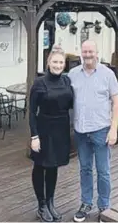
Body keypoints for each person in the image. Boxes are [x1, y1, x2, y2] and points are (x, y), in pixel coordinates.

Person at [68, 40, 118, 222]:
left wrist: (113, 129)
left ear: (97, 53)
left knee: (103, 171)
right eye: (85, 51)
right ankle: (86, 203)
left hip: (101, 130)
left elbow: (116, 102)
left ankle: (104, 206)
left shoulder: (108, 74)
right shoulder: (73, 74)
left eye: (91, 51)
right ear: (81, 53)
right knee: (85, 169)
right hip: (81, 132)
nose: (88, 54)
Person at [29, 44, 74, 222]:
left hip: (61, 128)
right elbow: (32, 111)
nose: (57, 65)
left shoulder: (66, 81)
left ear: (64, 64)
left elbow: (72, 104)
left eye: (61, 62)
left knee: (53, 166)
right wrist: (34, 136)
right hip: (44, 128)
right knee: (40, 165)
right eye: (54, 62)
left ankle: (50, 202)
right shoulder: (39, 83)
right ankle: (41, 205)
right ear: (48, 62)